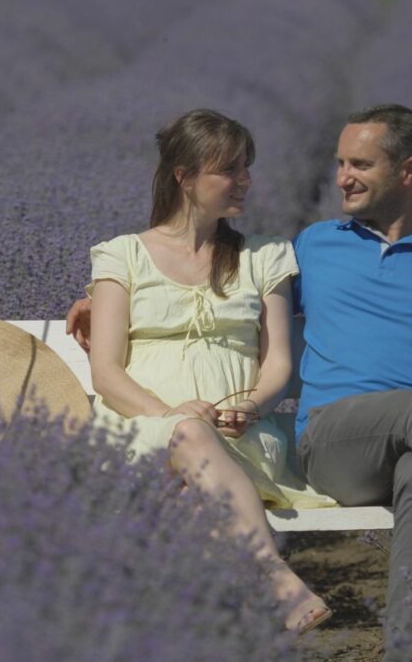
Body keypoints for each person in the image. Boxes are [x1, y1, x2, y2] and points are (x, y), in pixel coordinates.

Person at [68, 103, 412, 654]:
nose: (341, 177)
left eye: (359, 164)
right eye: (340, 162)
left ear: (409, 170)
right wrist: (96, 298)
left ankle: (406, 648)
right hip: (340, 441)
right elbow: (203, 293)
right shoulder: (318, 246)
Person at [83, 108, 332, 635]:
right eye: (231, 170)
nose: (246, 181)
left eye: (247, 168)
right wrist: (171, 415)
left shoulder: (264, 257)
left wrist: (251, 405)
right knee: (188, 439)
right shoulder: (122, 255)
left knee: (195, 520)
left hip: (235, 441)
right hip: (139, 435)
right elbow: (105, 372)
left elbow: (278, 362)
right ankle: (277, 580)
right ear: (185, 176)